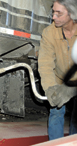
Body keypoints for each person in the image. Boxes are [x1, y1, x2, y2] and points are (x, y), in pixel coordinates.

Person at [38, 0, 77, 140]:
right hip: (60, 79)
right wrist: (50, 88)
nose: (53, 17)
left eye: (59, 13)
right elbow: (45, 63)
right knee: (56, 112)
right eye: (53, 12)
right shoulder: (49, 33)